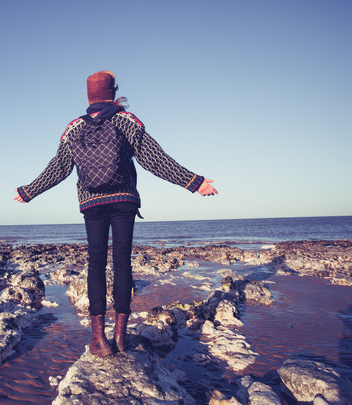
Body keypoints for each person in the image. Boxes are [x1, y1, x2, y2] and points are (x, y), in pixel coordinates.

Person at [14, 70, 218, 357]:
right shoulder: (127, 121)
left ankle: (99, 340)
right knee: (122, 263)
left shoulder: (73, 128)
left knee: (96, 264)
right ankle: (120, 337)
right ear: (112, 92)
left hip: (91, 203)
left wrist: (29, 190)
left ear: (88, 96)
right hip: (124, 199)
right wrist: (194, 182)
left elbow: (58, 169)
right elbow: (155, 160)